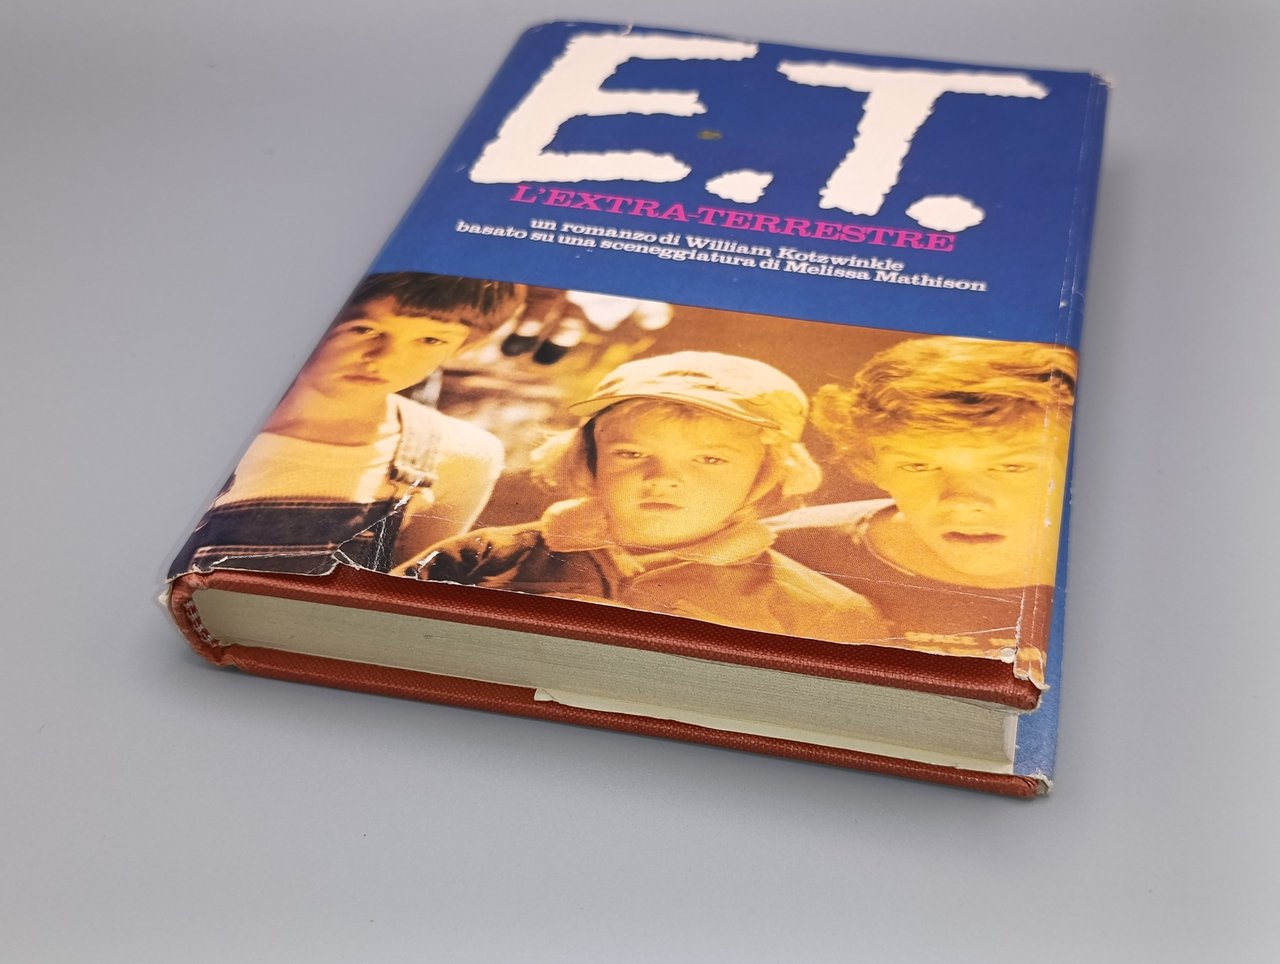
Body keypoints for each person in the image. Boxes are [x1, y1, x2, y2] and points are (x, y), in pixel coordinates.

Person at [415, 351, 886, 642]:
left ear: (768, 474)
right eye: (632, 453)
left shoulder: (822, 613)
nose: (662, 478)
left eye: (710, 459)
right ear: (587, 458)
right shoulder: (480, 557)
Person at [769, 335, 1077, 687]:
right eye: (919, 465)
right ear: (871, 465)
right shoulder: (778, 551)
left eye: (1012, 466)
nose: (961, 500)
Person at [171, 272, 524, 576]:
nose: (385, 358)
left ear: (462, 345)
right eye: (363, 328)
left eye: (431, 339)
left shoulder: (461, 456)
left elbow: (403, 593)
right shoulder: (197, 417)